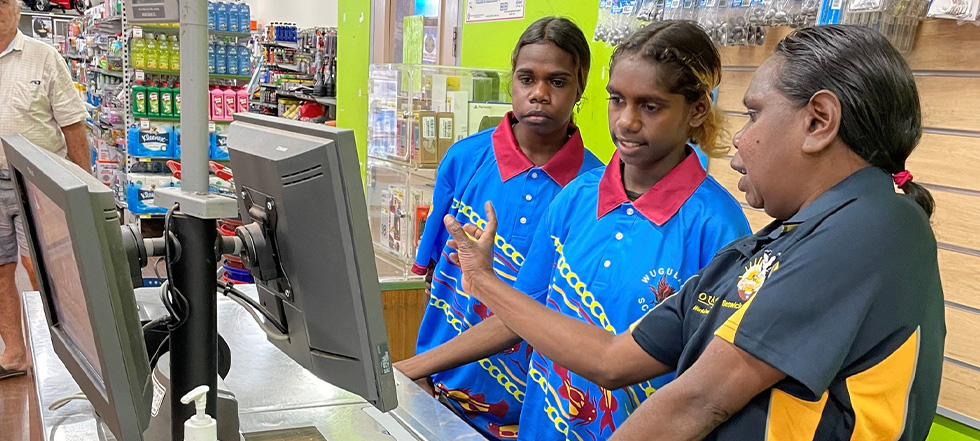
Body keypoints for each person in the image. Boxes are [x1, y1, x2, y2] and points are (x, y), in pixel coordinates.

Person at [442, 24, 944, 441]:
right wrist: (482, 279)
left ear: (819, 121)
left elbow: (699, 401)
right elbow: (612, 359)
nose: (739, 140)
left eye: (754, 114)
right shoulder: (774, 243)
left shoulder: (873, 226)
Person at [404, 21, 750, 441]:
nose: (627, 122)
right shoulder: (576, 198)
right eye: (617, 100)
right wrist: (409, 370)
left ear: (696, 109)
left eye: (651, 106)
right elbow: (522, 316)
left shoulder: (719, 228)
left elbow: (709, 387)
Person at [396, 16, 602, 439]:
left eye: (558, 82)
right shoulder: (464, 160)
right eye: (527, 78)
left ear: (580, 87)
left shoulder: (593, 190)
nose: (539, 94)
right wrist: (423, 368)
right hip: (438, 388)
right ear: (512, 80)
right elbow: (435, 274)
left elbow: (550, 312)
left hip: (532, 411)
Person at [0, 0, 91, 380]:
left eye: (4, 2)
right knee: (1, 269)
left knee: (40, 267)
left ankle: (60, 354)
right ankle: (16, 353)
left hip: (35, 181)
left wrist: (84, 189)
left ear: (18, 9)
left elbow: (73, 127)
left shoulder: (44, 57)